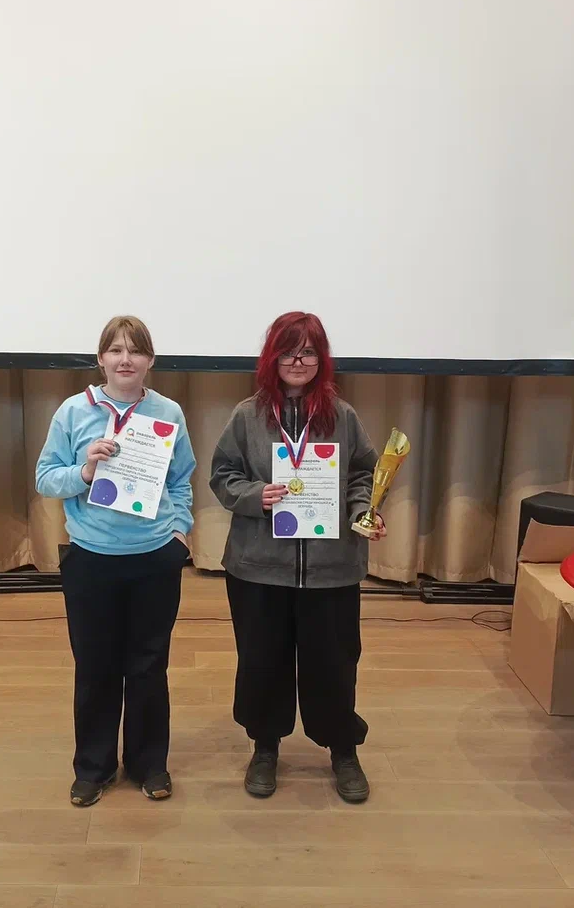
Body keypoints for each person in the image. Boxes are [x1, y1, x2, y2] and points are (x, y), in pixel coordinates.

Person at [209, 311, 385, 803]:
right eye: (288, 351)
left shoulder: (343, 416)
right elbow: (222, 475)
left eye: (308, 351)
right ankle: (265, 746)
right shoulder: (246, 415)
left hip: (332, 570)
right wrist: (255, 495)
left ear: (321, 359)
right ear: (272, 357)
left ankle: (343, 749)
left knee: (334, 664)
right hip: (257, 567)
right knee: (262, 661)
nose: (298, 361)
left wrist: (361, 511)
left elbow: (363, 475)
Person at [35, 315, 196, 807]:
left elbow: (181, 479)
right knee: (96, 666)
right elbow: (45, 478)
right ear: (101, 359)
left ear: (150, 360)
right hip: (92, 558)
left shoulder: (168, 411)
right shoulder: (72, 411)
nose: (126, 359)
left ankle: (149, 763)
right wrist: (85, 470)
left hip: (154, 557)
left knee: (149, 664)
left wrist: (179, 532)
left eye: (136, 350)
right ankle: (94, 767)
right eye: (116, 350)